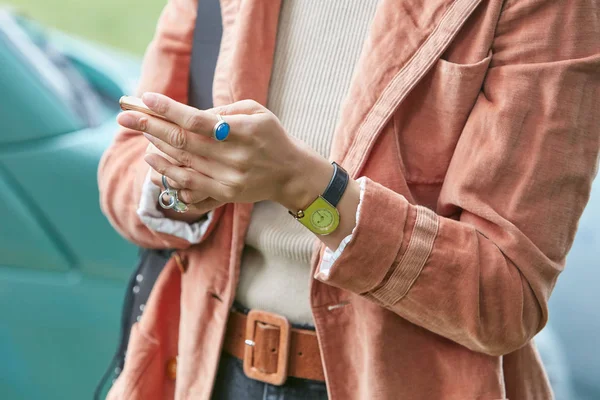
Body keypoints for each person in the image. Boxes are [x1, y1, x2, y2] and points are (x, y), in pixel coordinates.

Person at [98, 0, 600, 399]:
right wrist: (186, 185)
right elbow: (120, 174)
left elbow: (503, 296)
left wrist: (309, 189)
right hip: (205, 374)